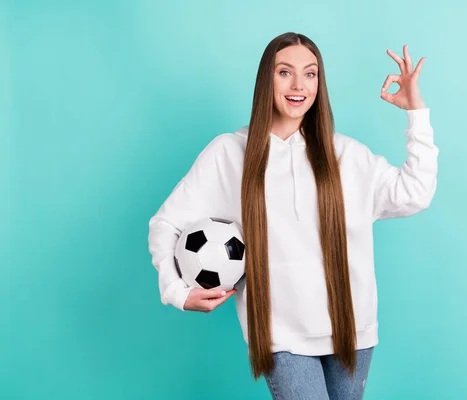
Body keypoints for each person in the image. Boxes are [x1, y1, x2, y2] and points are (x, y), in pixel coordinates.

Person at [148, 32, 438, 400]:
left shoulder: (346, 155)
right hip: (280, 336)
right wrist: (176, 291)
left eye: (311, 73)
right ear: (266, 79)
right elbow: (166, 224)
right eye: (285, 72)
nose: (299, 84)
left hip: (354, 332)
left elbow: (416, 192)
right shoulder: (229, 154)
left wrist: (417, 113)